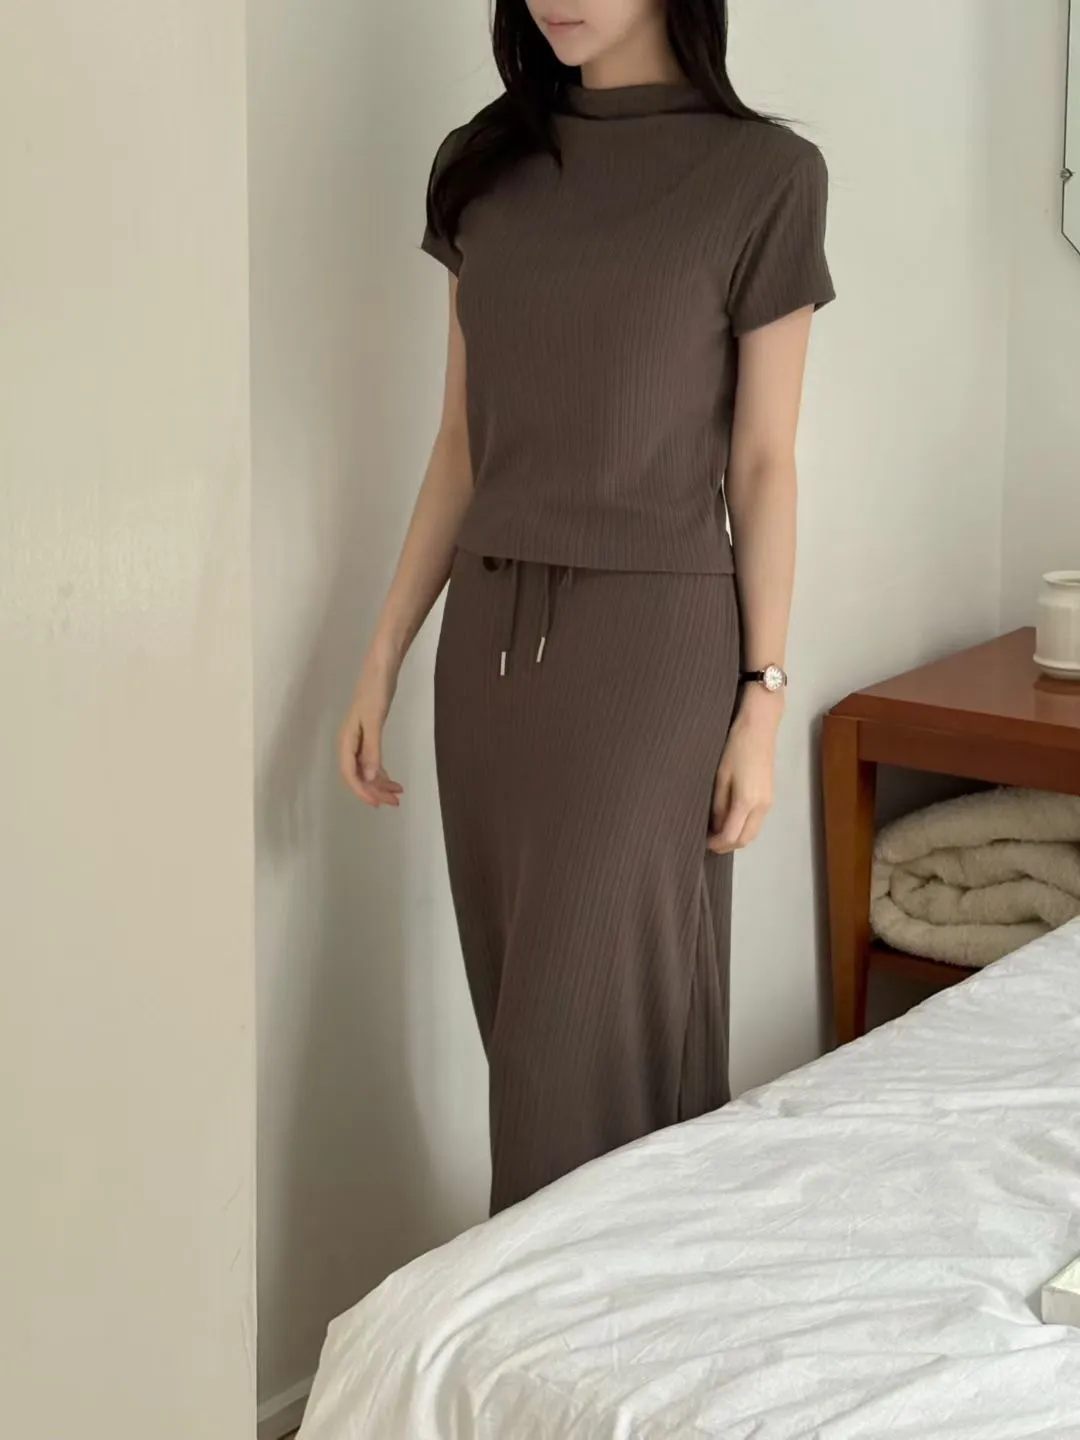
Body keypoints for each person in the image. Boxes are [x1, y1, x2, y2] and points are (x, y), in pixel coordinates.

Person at [339, 0, 833, 1215]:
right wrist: (384, 652)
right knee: (526, 1042)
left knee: (587, 1058)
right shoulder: (482, 166)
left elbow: (764, 462)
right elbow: (462, 447)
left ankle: (574, 1313)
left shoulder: (764, 176)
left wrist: (763, 699)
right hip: (488, 662)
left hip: (649, 657)